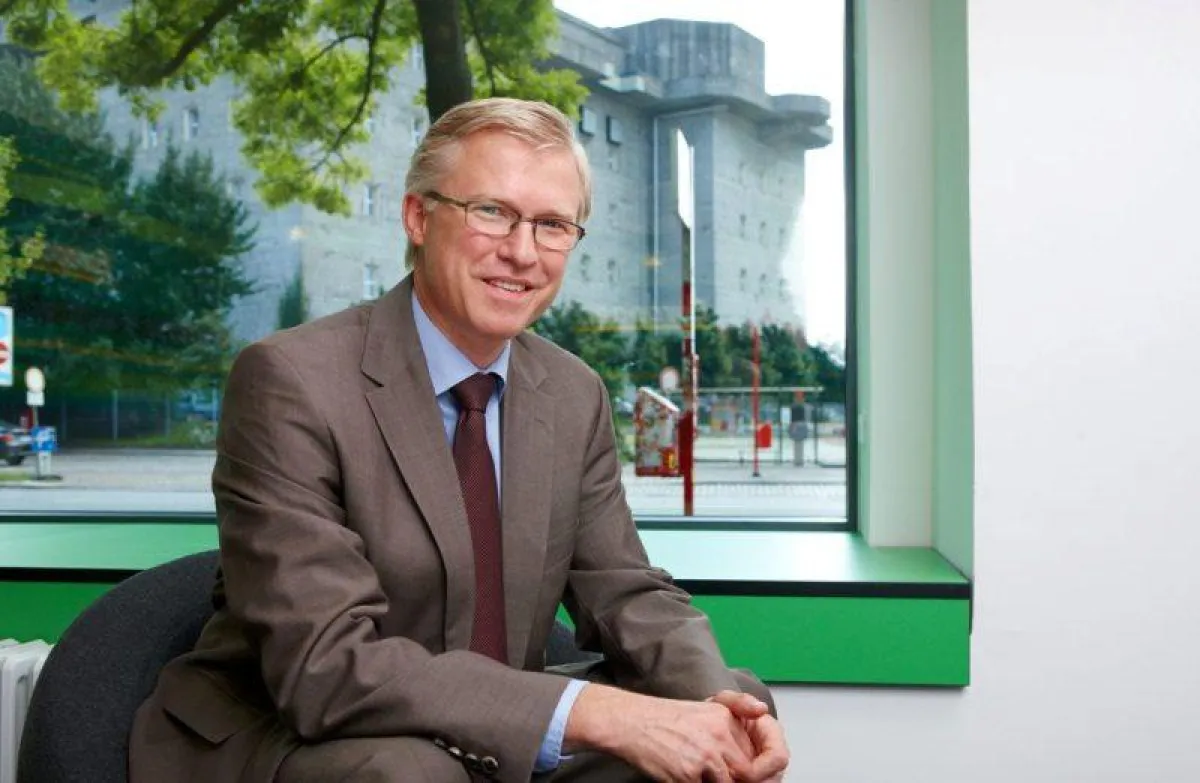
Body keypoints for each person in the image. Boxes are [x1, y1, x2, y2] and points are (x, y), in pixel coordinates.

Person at [128, 97, 789, 783]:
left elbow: (625, 591)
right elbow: (325, 667)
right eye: (491, 212)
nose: (522, 251)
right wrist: (599, 712)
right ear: (418, 217)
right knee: (417, 773)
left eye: (552, 224)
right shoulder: (291, 380)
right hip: (292, 731)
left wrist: (717, 701)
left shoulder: (571, 392)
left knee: (722, 720)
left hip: (478, 729)